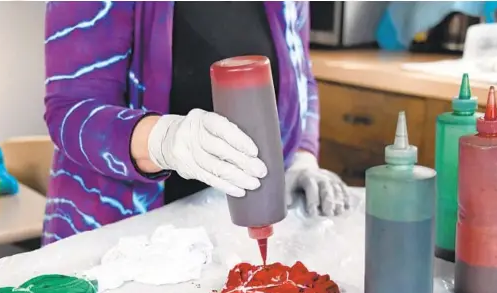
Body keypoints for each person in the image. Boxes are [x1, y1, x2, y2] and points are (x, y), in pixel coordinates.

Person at [43, 1, 349, 246]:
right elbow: (71, 110)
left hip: (225, 243)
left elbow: (302, 74)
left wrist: (301, 157)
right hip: (119, 242)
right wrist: (163, 142)